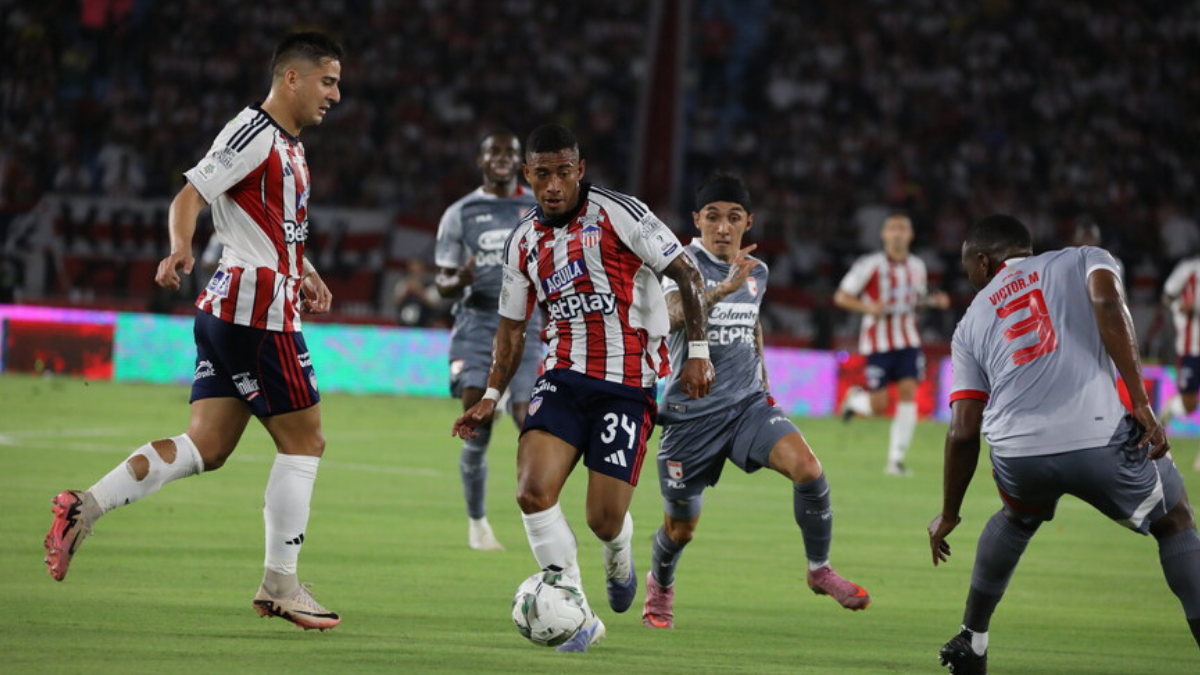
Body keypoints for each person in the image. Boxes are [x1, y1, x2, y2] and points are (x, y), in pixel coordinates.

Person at [42, 32, 344, 631]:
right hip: (255, 312)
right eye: (328, 81)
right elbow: (189, 196)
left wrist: (304, 270)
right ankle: (279, 583)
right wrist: (179, 249)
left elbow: (272, 228)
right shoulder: (253, 133)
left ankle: (85, 506)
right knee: (305, 443)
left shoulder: (291, 146)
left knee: (206, 447)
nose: (336, 94)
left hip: (241, 308)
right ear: (292, 78)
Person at [451, 124, 714, 652]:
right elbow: (511, 328)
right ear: (527, 174)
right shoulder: (522, 240)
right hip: (563, 376)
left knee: (603, 518)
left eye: (563, 172)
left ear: (580, 170)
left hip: (627, 384)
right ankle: (573, 602)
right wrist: (490, 396)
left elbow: (687, 272)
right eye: (542, 173)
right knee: (531, 491)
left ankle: (618, 553)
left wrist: (700, 355)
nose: (553, 185)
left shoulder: (622, 213)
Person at [928, 214, 1200, 674]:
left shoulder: (970, 322)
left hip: (1016, 451)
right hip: (1096, 434)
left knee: (1016, 517)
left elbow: (963, 430)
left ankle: (972, 639)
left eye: (967, 269)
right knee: (1174, 521)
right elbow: (1109, 303)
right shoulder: (1081, 258)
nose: (969, 278)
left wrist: (950, 512)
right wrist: (1140, 400)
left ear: (982, 260)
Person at [642, 175, 870, 631]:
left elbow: (752, 326)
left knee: (808, 469)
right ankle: (660, 585)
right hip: (690, 418)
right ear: (696, 221)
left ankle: (818, 569)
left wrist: (765, 382)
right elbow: (669, 318)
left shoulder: (757, 272)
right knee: (680, 529)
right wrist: (720, 290)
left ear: (748, 222)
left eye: (732, 218)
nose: (722, 228)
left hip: (747, 406)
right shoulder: (679, 265)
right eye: (712, 217)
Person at [434, 131, 542, 550]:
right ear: (481, 159)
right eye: (494, 151)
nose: (501, 158)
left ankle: (537, 513)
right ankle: (478, 524)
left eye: (509, 154)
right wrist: (457, 278)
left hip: (529, 326)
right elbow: (441, 282)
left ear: (519, 163)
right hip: (478, 325)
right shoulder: (460, 213)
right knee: (475, 422)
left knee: (528, 419)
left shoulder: (536, 208)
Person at [835, 212, 950, 475]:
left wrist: (934, 302)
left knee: (909, 392)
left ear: (910, 235)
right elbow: (841, 296)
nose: (897, 233)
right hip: (877, 342)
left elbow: (915, 300)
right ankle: (855, 401)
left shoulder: (917, 266)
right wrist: (868, 307)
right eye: (892, 228)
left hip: (908, 339)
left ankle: (895, 461)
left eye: (903, 228)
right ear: (884, 234)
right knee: (879, 406)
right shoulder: (870, 264)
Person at [1161, 253, 1200, 471]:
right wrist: (1180, 308)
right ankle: (1169, 410)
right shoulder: (1189, 268)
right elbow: (1167, 296)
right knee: (1189, 404)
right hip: (1190, 348)